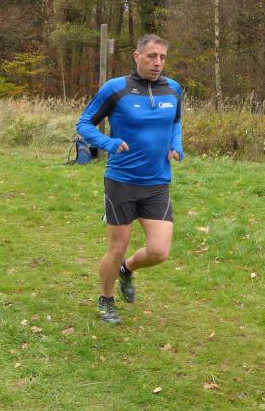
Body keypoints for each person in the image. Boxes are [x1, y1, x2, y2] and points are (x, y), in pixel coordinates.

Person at [76, 34, 184, 325]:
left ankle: (127, 269)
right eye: (151, 56)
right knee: (117, 248)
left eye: (162, 57)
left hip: (157, 182)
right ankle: (106, 298)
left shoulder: (173, 89)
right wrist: (107, 143)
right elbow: (84, 123)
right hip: (122, 181)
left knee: (159, 252)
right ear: (137, 56)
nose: (157, 62)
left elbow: (175, 121)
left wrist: (176, 144)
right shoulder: (116, 89)